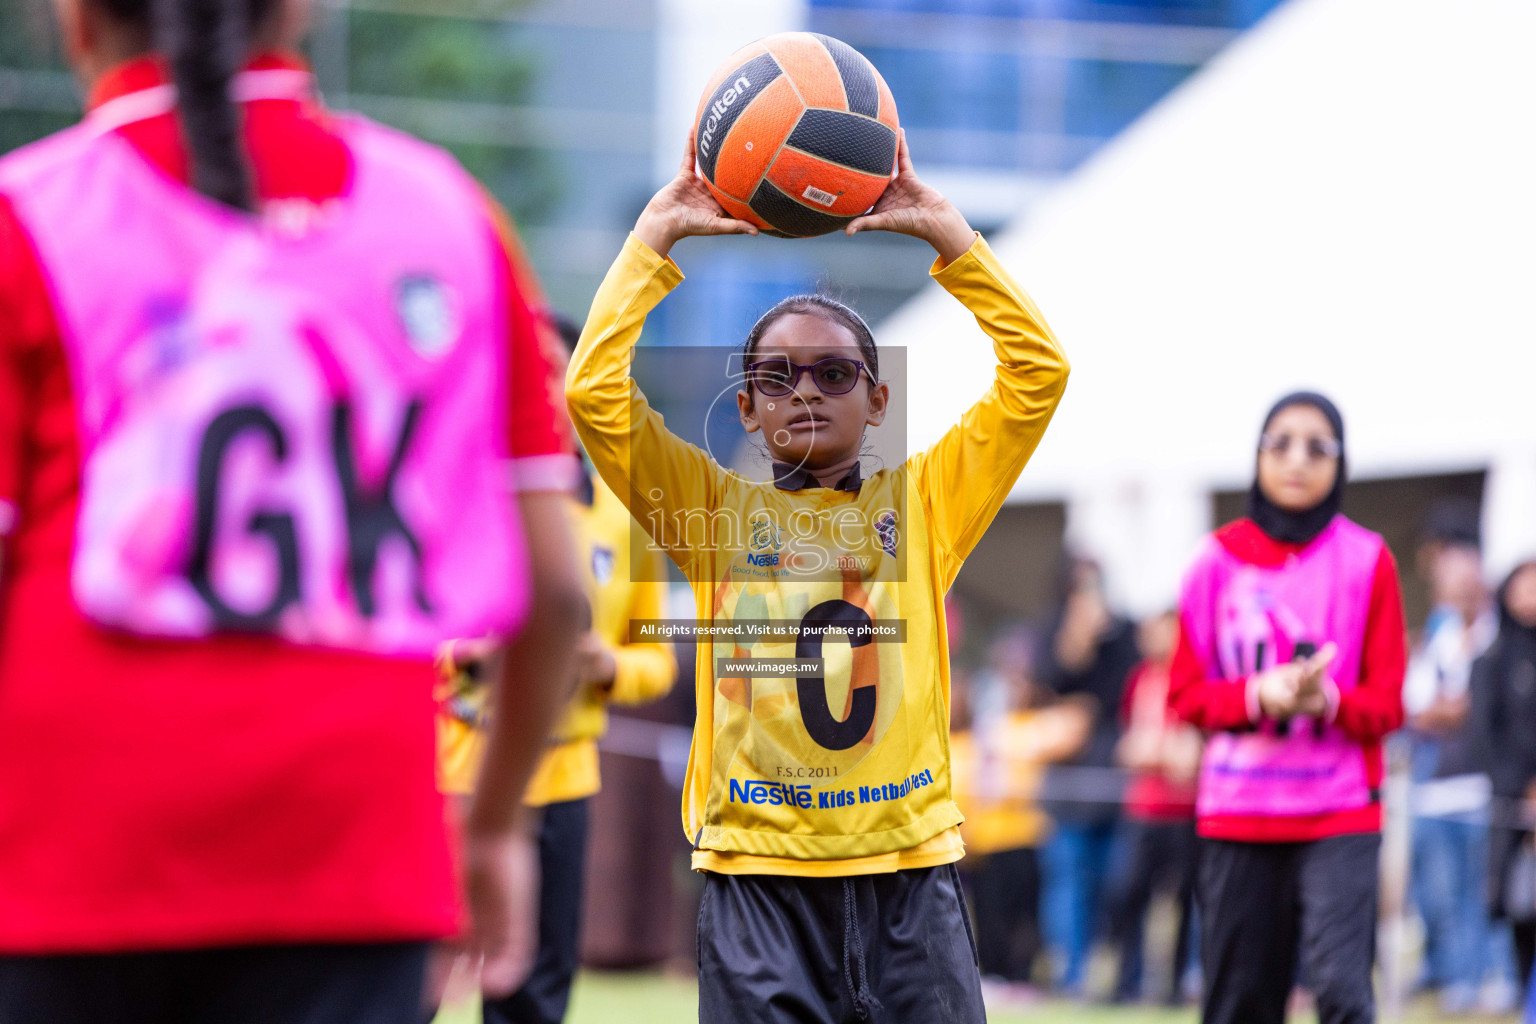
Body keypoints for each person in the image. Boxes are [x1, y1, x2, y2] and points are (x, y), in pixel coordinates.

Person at [0, 0, 586, 1018]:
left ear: (75, 17)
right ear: (302, 10)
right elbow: (556, 593)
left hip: (70, 866)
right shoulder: (443, 214)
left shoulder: (31, 213)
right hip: (356, 867)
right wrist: (490, 827)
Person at [564, 128, 1069, 1023]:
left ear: (878, 399)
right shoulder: (712, 515)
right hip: (759, 884)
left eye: (835, 373)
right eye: (778, 376)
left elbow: (1037, 375)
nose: (806, 390)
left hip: (909, 877)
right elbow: (594, 394)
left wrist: (949, 236)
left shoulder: (925, 506)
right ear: (749, 408)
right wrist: (654, 238)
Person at [435, 318, 679, 1024]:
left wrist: (610, 666)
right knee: (415, 979)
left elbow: (657, 659)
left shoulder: (625, 513)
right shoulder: (455, 493)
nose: (540, 387)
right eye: (523, 369)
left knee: (536, 991)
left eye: (555, 370)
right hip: (454, 771)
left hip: (566, 776)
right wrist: (462, 655)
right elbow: (394, 630)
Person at [1168, 392, 1407, 1024]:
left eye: (1317, 446)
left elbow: (1387, 704)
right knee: (1239, 1001)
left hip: (1340, 812)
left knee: (1343, 995)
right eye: (1280, 443)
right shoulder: (1212, 561)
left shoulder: (1369, 559)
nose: (1297, 459)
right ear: (1257, 457)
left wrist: (1326, 698)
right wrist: (1257, 695)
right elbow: (1185, 696)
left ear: (1341, 462)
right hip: (1238, 815)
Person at [950, 634, 1092, 994]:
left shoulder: (1035, 725)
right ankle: (995, 974)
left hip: (1026, 833)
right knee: (989, 913)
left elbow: (1074, 725)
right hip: (986, 836)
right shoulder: (988, 727)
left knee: (1025, 914)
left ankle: (1022, 976)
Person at [1403, 540, 1504, 1012]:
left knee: (1484, 889)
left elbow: (1479, 709)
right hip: (1435, 789)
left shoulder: (1498, 640)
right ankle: (1456, 977)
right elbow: (1416, 710)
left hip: (1483, 787)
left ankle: (1493, 976)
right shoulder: (1436, 641)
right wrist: (1449, 711)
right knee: (1440, 894)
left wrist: (1452, 711)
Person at [1037, 556, 1140, 995]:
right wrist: (1074, 642)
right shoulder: (1052, 631)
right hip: (1067, 784)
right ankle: (1071, 973)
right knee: (1068, 881)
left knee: (1117, 882)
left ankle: (1118, 974)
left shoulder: (1124, 634)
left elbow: (1125, 696)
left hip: (1113, 782)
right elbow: (1046, 685)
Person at [1106, 609, 1202, 1005]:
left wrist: (1156, 751)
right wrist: (1158, 752)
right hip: (1143, 808)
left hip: (1183, 809)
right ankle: (1126, 982)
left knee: (1185, 902)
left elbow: (1188, 756)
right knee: (1127, 893)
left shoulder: (1193, 679)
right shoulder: (1139, 679)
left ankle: (1177, 985)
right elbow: (1129, 746)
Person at [1472, 559, 1536, 990]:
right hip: (1512, 803)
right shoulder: (1492, 660)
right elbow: (1485, 735)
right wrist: (1521, 790)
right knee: (1518, 901)